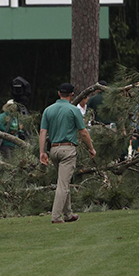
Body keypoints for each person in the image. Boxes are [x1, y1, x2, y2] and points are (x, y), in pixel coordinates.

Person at [39, 83, 96, 224]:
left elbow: (42, 132)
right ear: (72, 95)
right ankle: (56, 217)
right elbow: (83, 132)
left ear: (59, 93)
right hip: (68, 149)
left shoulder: (48, 110)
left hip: (53, 149)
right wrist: (91, 148)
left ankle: (68, 214)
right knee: (63, 184)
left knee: (64, 181)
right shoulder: (73, 110)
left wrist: (42, 152)